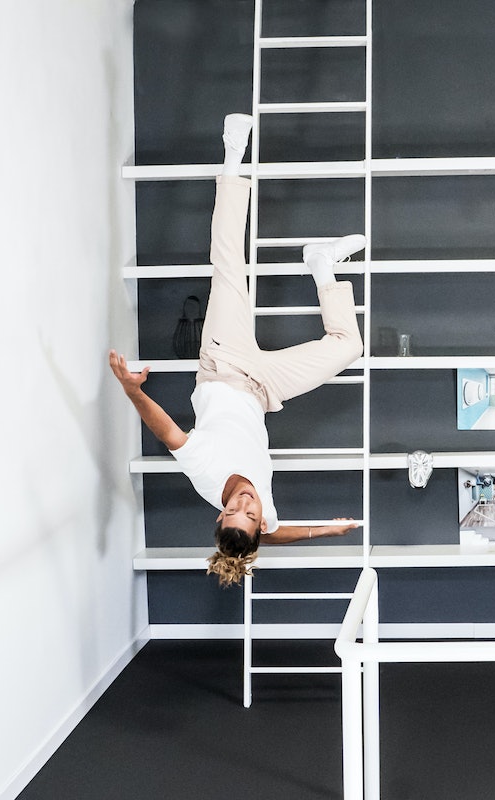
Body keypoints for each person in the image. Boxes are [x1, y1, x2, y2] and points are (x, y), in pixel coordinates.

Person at [109, 113, 364, 587]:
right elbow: (275, 535)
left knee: (227, 262)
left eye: (234, 509)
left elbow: (167, 432)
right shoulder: (264, 518)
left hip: (224, 362)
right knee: (349, 346)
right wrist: (326, 530)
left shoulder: (207, 475)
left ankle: (232, 151)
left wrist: (132, 391)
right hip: (264, 387)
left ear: (219, 512)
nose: (246, 503)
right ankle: (321, 262)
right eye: (251, 513)